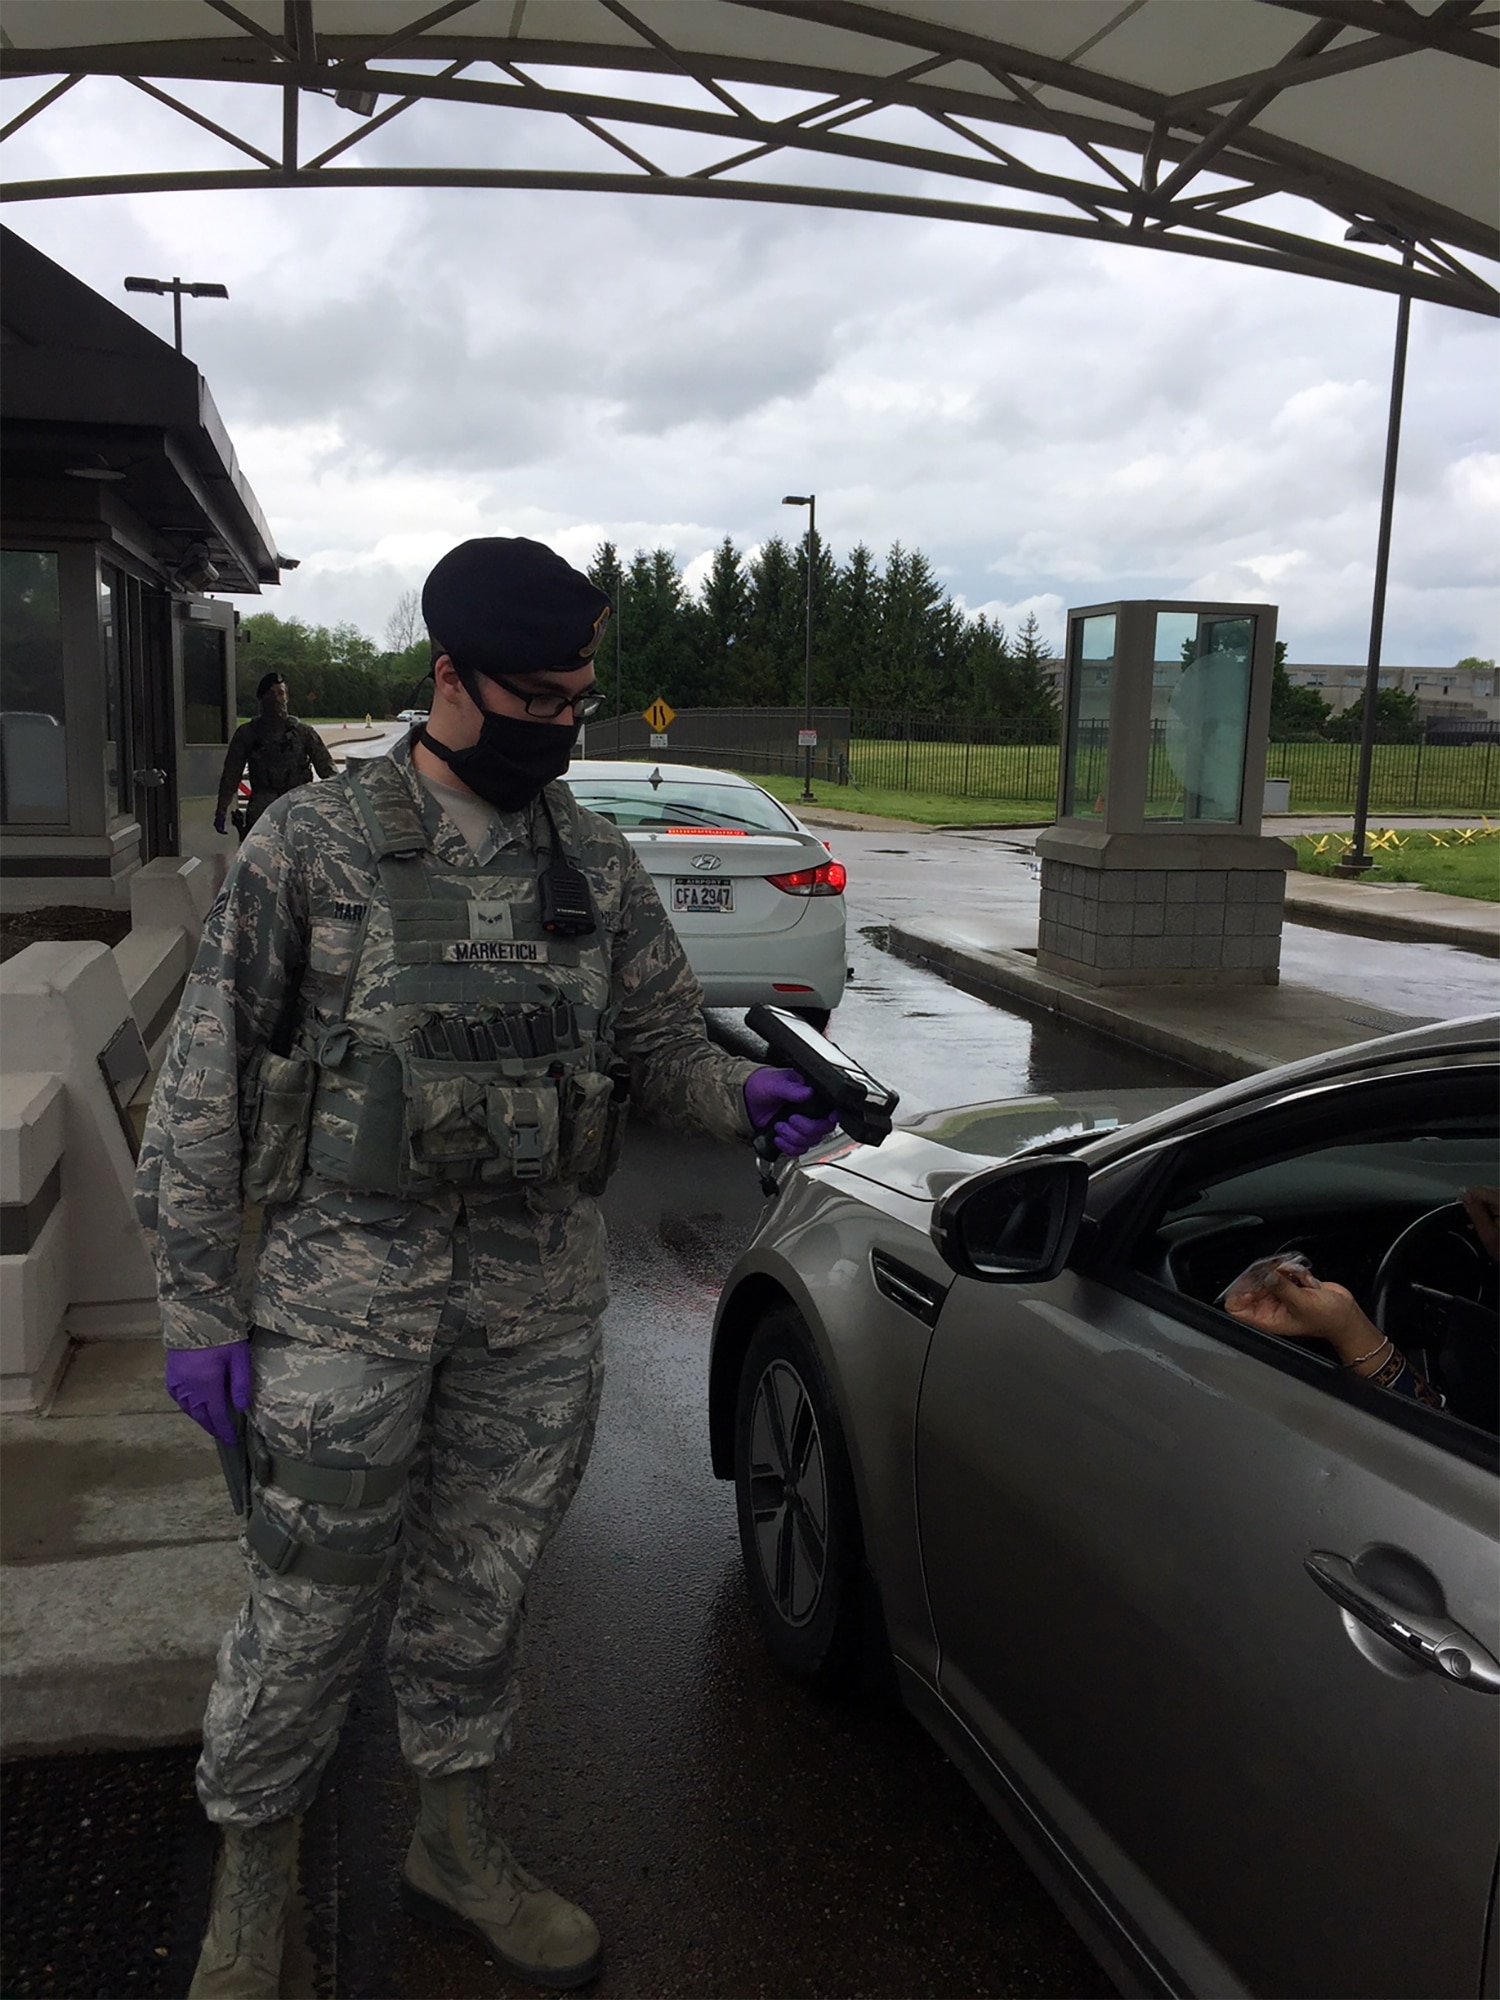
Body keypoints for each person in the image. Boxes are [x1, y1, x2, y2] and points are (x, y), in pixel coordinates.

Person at [138, 537, 838, 2000]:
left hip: (533, 1309)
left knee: (482, 1588)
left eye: (580, 700)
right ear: (446, 679)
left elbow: (653, 1048)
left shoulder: (589, 854)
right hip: (344, 1299)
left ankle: (454, 1844)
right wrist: (199, 1306)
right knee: (310, 1604)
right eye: (535, 698)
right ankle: (251, 1892)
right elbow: (201, 1085)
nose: (559, 727)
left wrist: (740, 1097)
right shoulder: (314, 845)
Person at [214, 673, 336, 837]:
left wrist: (339, 806)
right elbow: (231, 774)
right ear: (262, 697)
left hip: (299, 808)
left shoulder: (304, 733)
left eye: (281, 693)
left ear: (287, 696)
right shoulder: (248, 734)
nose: (277, 699)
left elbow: (328, 772)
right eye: (271, 694)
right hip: (263, 811)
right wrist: (221, 809)